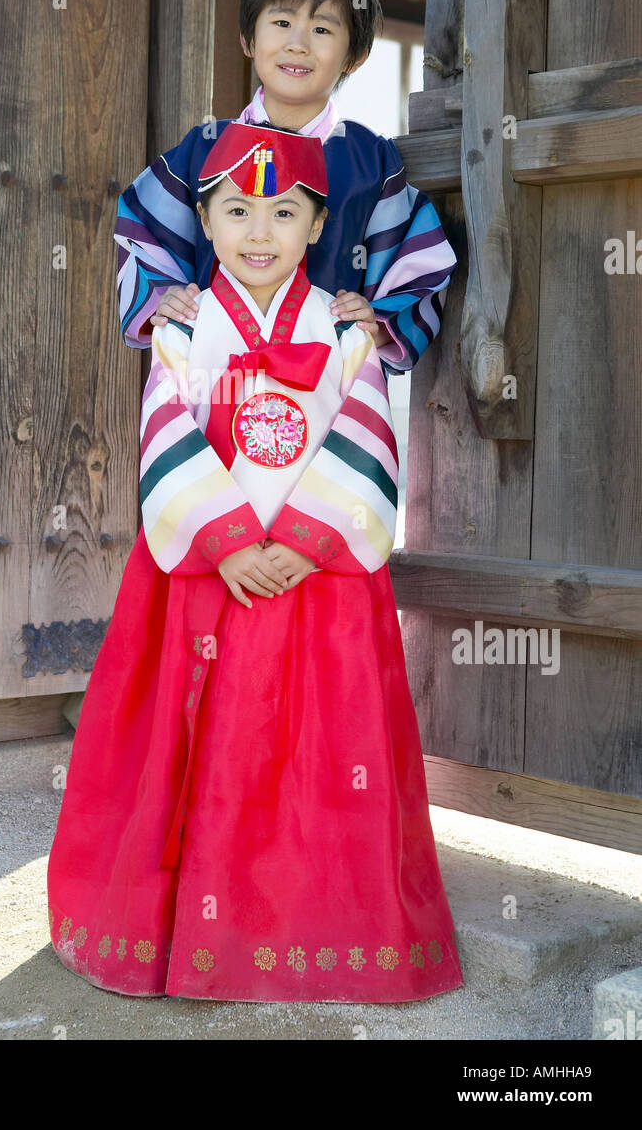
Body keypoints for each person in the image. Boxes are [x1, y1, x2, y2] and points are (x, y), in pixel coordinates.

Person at [46, 121, 464, 1002]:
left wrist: (301, 544)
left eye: (284, 212)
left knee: (319, 754)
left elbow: (368, 436)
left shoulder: (347, 329)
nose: (259, 232)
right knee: (193, 750)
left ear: (319, 227)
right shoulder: (182, 326)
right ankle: (179, 931)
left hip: (317, 586)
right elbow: (164, 428)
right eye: (235, 211)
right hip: (207, 578)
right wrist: (230, 542)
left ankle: (306, 929)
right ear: (204, 221)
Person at [114, 0, 458, 382]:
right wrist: (164, 297)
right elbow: (142, 232)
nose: (298, 44)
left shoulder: (369, 161)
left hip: (329, 385)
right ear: (248, 38)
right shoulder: (205, 147)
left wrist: (378, 320)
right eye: (281, 21)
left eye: (322, 29)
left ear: (355, 55)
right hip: (211, 380)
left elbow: (420, 264)